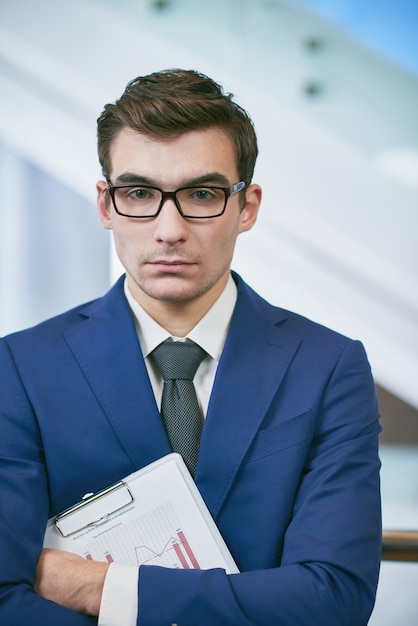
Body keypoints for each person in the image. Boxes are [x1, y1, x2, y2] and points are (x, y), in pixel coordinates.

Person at [0, 68, 381, 626]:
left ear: (245, 206)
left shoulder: (328, 367)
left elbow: (333, 599)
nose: (169, 228)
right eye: (139, 193)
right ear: (106, 205)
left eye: (201, 194)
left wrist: (102, 588)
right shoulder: (21, 368)